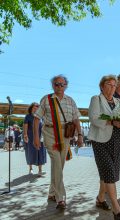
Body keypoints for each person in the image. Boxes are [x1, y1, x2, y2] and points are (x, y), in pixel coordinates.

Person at [33, 74, 83, 209]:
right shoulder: (46, 99)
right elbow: (37, 118)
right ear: (52, 85)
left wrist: (80, 135)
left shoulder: (70, 101)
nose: (60, 86)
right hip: (49, 134)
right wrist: (36, 137)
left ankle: (51, 192)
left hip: (65, 135)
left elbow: (76, 119)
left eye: (62, 84)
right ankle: (60, 198)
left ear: (66, 86)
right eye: (57, 84)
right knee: (56, 162)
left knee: (59, 165)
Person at [88, 75, 120, 220]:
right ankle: (116, 209)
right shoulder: (96, 99)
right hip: (100, 141)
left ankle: (100, 199)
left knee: (108, 174)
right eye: (109, 84)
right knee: (109, 173)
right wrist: (112, 122)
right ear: (102, 86)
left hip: (117, 140)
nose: (112, 87)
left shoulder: (119, 101)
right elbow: (94, 118)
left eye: (114, 85)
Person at [23, 103, 47, 175]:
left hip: (40, 138)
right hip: (30, 138)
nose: (36, 108)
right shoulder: (28, 116)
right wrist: (25, 135)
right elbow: (25, 126)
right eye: (35, 107)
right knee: (30, 152)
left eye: (38, 107)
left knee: (41, 152)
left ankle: (40, 170)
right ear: (31, 108)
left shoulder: (41, 117)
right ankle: (30, 169)